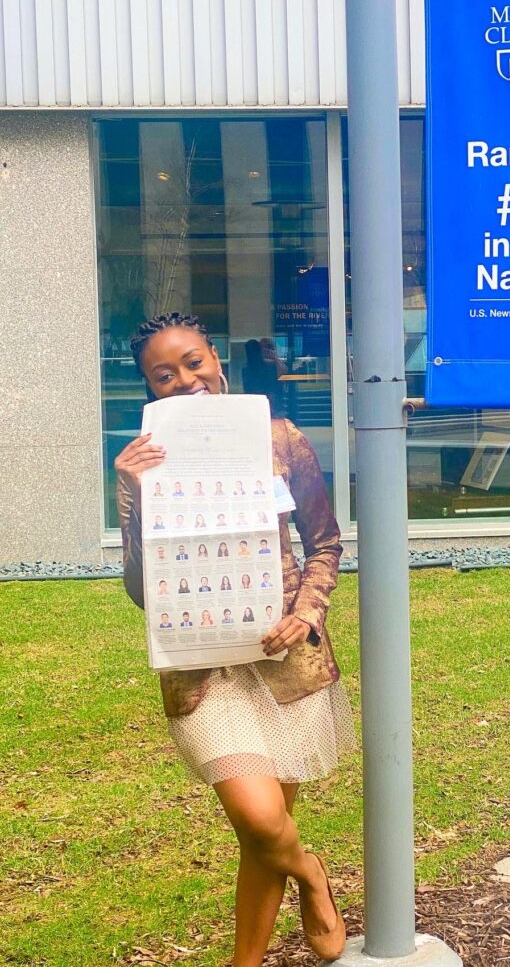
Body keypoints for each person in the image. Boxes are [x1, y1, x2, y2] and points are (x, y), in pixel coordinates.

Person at [115, 312, 353, 966]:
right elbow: (142, 588)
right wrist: (129, 493)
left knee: (260, 836)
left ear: (215, 358)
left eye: (192, 362)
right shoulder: (143, 463)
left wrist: (305, 613)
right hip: (200, 669)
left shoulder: (278, 437)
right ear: (150, 388)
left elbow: (324, 542)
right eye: (163, 376)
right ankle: (312, 875)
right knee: (259, 819)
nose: (183, 380)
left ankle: (242, 962)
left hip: (282, 660)